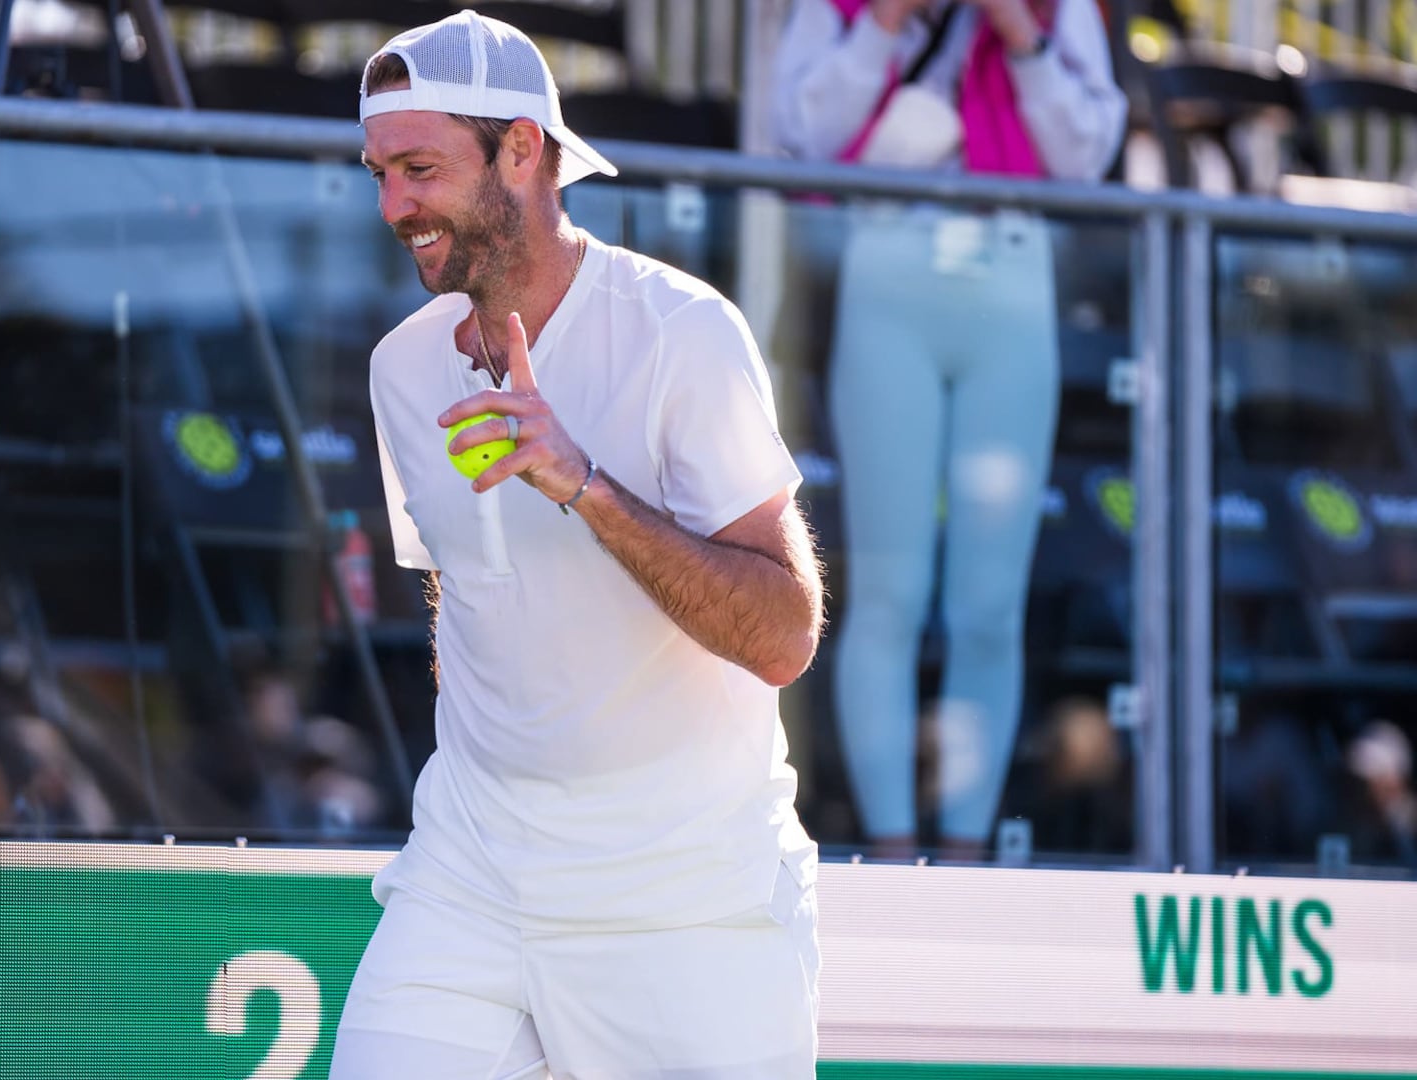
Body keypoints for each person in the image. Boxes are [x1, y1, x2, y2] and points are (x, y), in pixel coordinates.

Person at [333, 12, 827, 1079]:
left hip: (687, 901)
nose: (393, 207)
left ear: (522, 149)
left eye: (420, 169)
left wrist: (585, 486)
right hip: (468, 878)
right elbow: (463, 588)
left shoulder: (684, 332)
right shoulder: (401, 367)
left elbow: (785, 635)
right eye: (380, 174)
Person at [769, 0, 1126, 860]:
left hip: (1013, 269)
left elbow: (1088, 154)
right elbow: (803, 133)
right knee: (888, 592)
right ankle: (893, 851)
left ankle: (966, 857)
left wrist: (1021, 34)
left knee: (990, 606)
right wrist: (885, 21)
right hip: (886, 261)